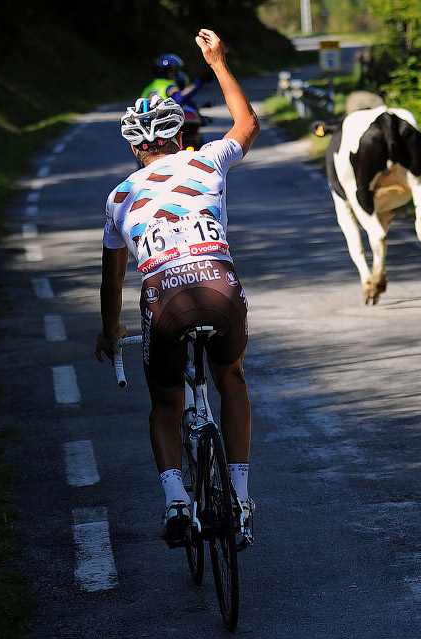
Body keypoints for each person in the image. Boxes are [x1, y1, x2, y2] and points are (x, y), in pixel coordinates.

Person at [95, 28, 260, 548]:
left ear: (134, 145)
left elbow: (114, 274)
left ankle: (175, 500)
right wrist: (217, 61)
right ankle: (240, 495)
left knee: (166, 405)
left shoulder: (118, 197)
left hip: (165, 303)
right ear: (179, 135)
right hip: (220, 290)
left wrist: (108, 330)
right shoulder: (206, 159)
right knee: (230, 378)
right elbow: (247, 123)